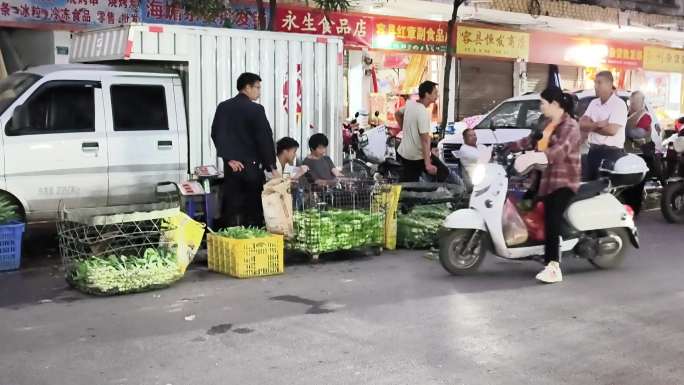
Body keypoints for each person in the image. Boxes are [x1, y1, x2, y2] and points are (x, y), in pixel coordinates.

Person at [510, 87, 582, 284]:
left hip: (563, 180)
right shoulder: (545, 123)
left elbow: (559, 152)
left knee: (551, 217)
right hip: (542, 177)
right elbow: (530, 140)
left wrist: (534, 157)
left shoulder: (571, 126)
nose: (540, 106)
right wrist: (506, 147)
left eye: (543, 103)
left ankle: (553, 266)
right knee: (524, 206)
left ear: (555, 104)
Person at [211, 72, 278, 227]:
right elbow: (265, 139)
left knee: (231, 206)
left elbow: (216, 133)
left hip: (231, 167)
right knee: (252, 207)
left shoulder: (223, 107)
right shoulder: (256, 109)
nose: (259, 92)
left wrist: (228, 158)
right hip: (252, 168)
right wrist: (272, 167)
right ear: (247, 87)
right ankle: (251, 240)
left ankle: (229, 239)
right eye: (257, 87)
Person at [579, 71, 628, 181]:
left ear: (610, 85)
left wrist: (590, 126)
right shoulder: (593, 103)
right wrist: (598, 124)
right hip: (593, 151)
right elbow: (581, 124)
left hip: (611, 154)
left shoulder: (618, 104)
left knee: (603, 189)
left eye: (599, 83)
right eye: (595, 83)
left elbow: (611, 130)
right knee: (589, 187)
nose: (595, 86)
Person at [621, 91, 658, 216]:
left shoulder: (645, 116)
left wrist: (623, 130)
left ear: (641, 102)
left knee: (636, 186)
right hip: (629, 154)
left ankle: (634, 210)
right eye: (631, 102)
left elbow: (638, 134)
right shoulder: (629, 115)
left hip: (640, 155)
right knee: (628, 185)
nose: (632, 104)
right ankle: (628, 208)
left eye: (635, 102)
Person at [395, 81, 440, 182]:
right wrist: (428, 164)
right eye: (435, 92)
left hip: (403, 153)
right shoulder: (422, 112)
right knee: (413, 188)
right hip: (414, 158)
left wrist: (403, 128)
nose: (437, 95)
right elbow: (425, 139)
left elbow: (397, 113)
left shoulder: (410, 104)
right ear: (427, 94)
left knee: (405, 184)